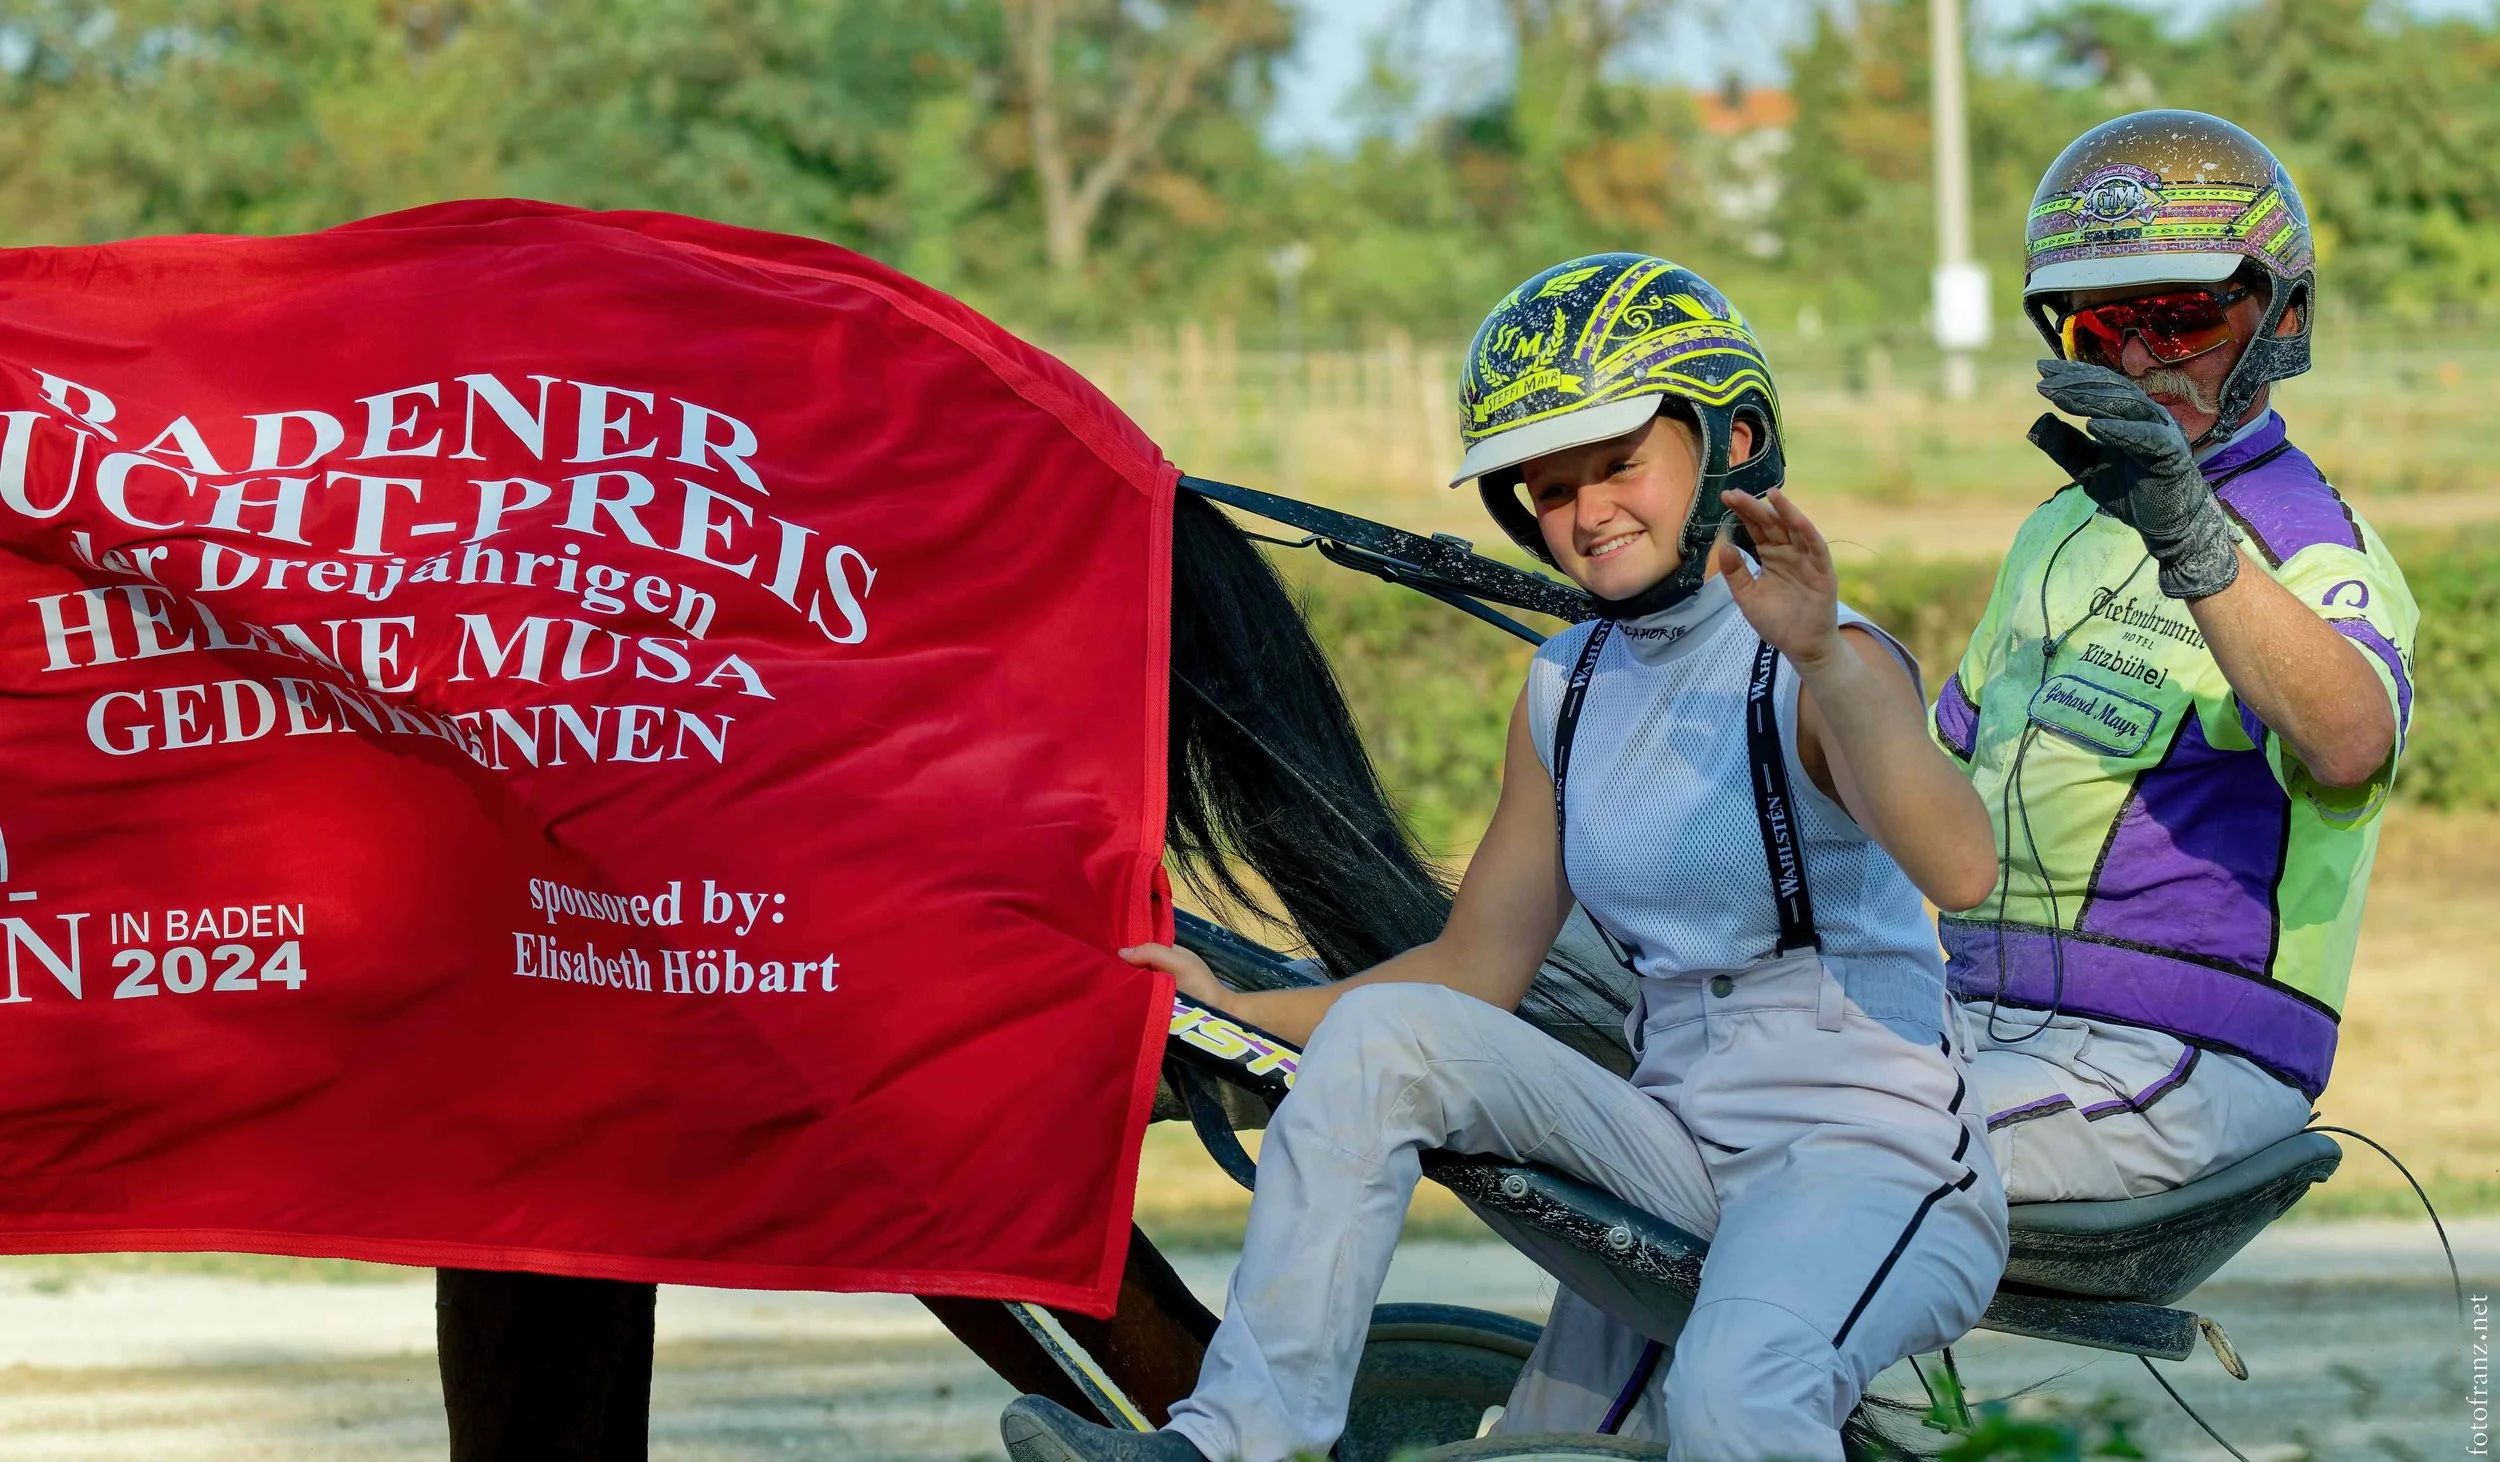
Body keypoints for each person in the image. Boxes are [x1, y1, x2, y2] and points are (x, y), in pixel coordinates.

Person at [1000, 255, 2009, 1462]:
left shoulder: (1826, 657)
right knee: (1392, 1044)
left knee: (1736, 1401)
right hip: (1677, 1135)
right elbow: (1473, 967)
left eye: (1618, 463)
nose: (1586, 513)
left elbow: (1959, 870)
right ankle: (1231, 1439)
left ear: (1732, 438)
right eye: (1547, 487)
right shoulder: (1565, 685)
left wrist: (1823, 660)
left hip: (1866, 1156)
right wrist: (1241, 1008)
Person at [1935, 111, 2419, 1203]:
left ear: (2281, 315)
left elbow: (2349, 742)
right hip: (1979, 1011)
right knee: (1706, 1112)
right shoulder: (2057, 526)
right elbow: (1933, 770)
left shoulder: (2312, 548)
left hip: (2176, 1046)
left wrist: (2192, 537)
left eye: (2180, 317)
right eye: (2103, 330)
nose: (2142, 358)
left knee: (1831, 1158)